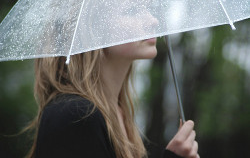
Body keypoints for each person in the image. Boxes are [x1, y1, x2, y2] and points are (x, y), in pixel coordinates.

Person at [26, 38, 199, 158]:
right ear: (92, 29)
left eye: (148, 8)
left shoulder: (120, 113)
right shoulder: (74, 115)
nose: (153, 20)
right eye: (131, 11)